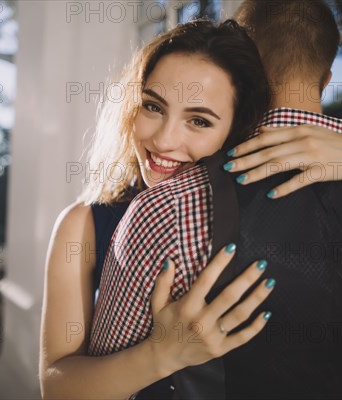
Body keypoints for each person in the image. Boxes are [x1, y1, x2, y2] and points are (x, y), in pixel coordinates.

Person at [88, 1, 342, 399]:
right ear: (327, 78)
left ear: (240, 73)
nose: (166, 140)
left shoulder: (168, 208)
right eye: (154, 106)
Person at [40, 19, 279, 400]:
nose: (165, 140)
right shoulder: (82, 224)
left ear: (235, 131)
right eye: (153, 107)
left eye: (198, 120)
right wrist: (161, 353)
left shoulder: (267, 217)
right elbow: (57, 388)